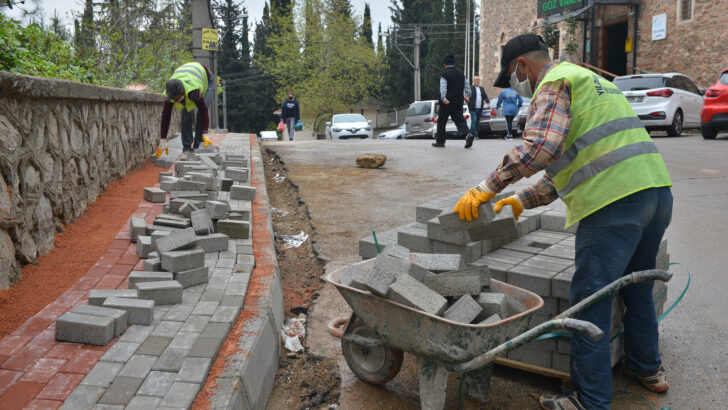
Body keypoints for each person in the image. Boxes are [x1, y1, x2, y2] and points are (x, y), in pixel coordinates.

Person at [452, 34, 673, 410]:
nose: (518, 88)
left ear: (522, 65)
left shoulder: (554, 83)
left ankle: (589, 400)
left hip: (614, 203)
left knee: (590, 300)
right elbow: (582, 157)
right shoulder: (593, 81)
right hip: (655, 194)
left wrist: (487, 186)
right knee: (635, 286)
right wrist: (523, 199)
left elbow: (539, 148)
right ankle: (646, 368)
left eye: (513, 77)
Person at [161, 61, 213, 152]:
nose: (173, 100)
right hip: (186, 73)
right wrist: (162, 139)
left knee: (200, 114)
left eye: (175, 97)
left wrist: (205, 133)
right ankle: (187, 147)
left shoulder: (194, 92)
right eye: (171, 97)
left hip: (207, 79)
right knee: (186, 113)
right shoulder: (170, 92)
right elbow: (166, 115)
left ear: (182, 92)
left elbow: (203, 111)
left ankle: (199, 146)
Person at [433, 52, 475, 149]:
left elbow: (443, 88)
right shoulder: (461, 74)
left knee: (442, 121)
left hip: (446, 102)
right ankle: (468, 135)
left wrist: (443, 98)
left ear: (445, 64)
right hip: (458, 101)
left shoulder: (445, 74)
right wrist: (467, 95)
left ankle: (440, 141)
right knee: (460, 120)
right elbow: (467, 85)